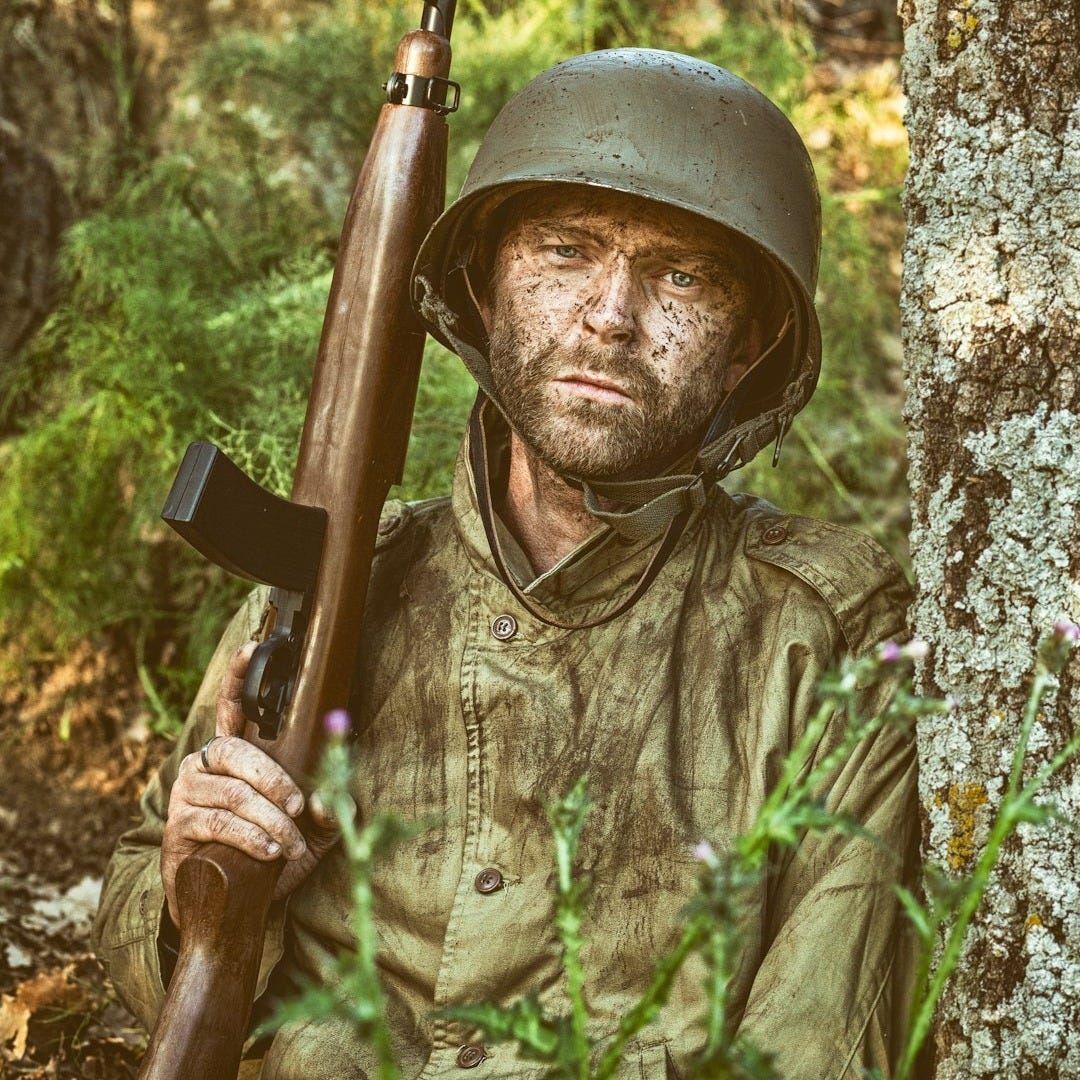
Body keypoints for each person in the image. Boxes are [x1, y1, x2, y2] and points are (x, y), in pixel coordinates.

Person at [94, 49, 917, 1078]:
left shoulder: (820, 640)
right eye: (566, 251)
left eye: (681, 274)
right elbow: (137, 893)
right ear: (484, 291)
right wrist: (196, 890)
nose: (612, 313)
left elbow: (819, 1043)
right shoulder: (343, 580)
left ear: (748, 347)